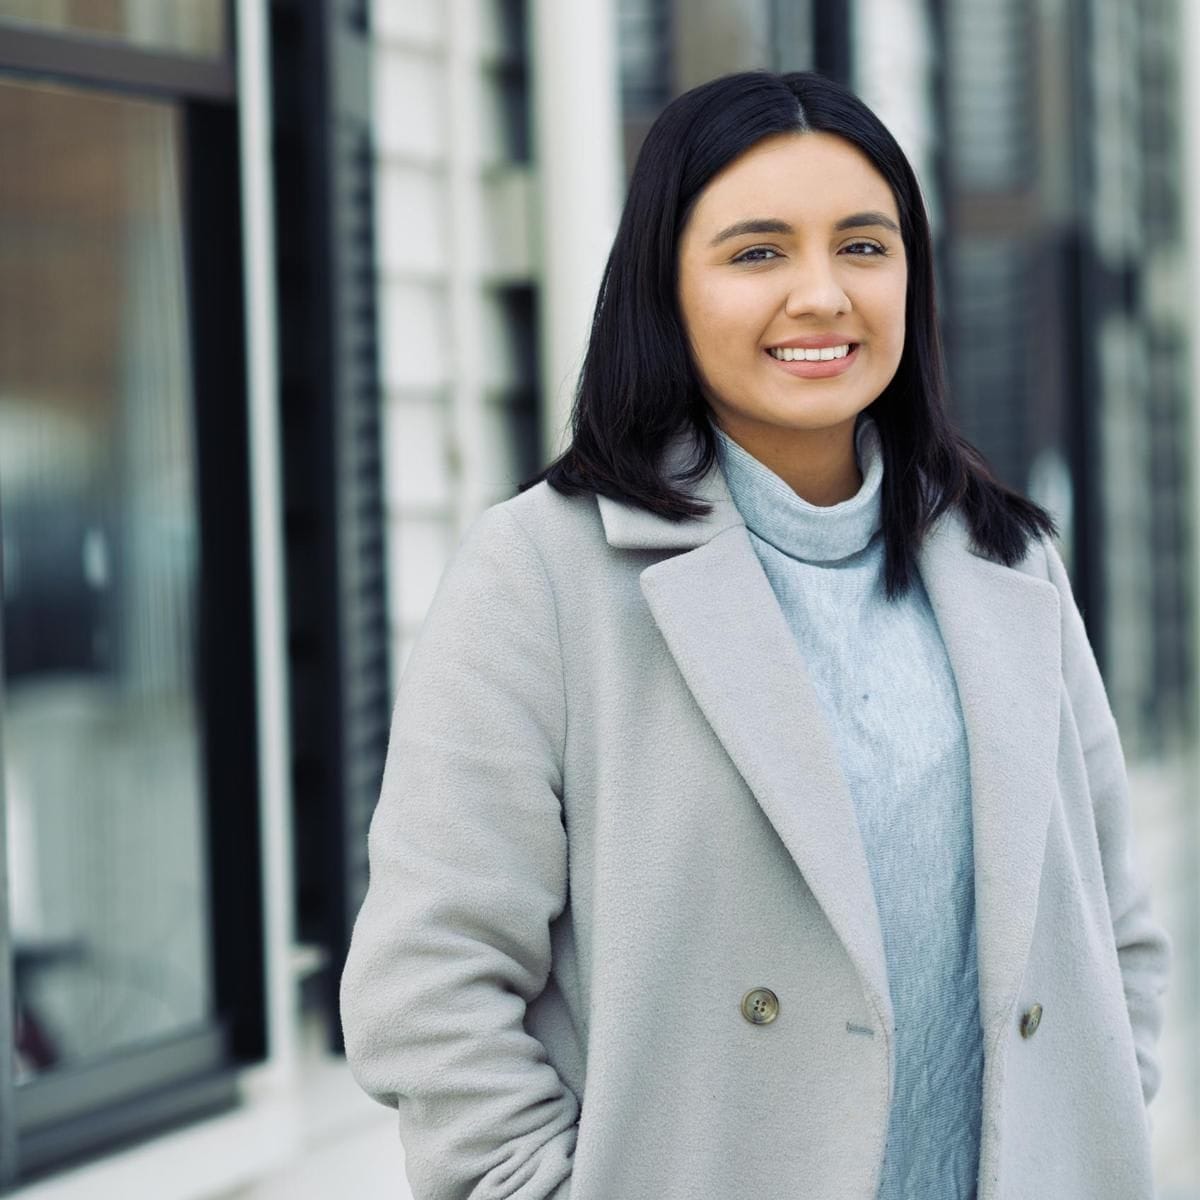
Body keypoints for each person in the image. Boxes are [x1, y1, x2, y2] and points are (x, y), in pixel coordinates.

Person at [339, 69, 1172, 1200]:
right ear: (664, 289)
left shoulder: (1007, 560)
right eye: (758, 252)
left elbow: (1114, 927)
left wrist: (1102, 1109)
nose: (822, 295)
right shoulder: (544, 573)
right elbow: (427, 980)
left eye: (865, 247)